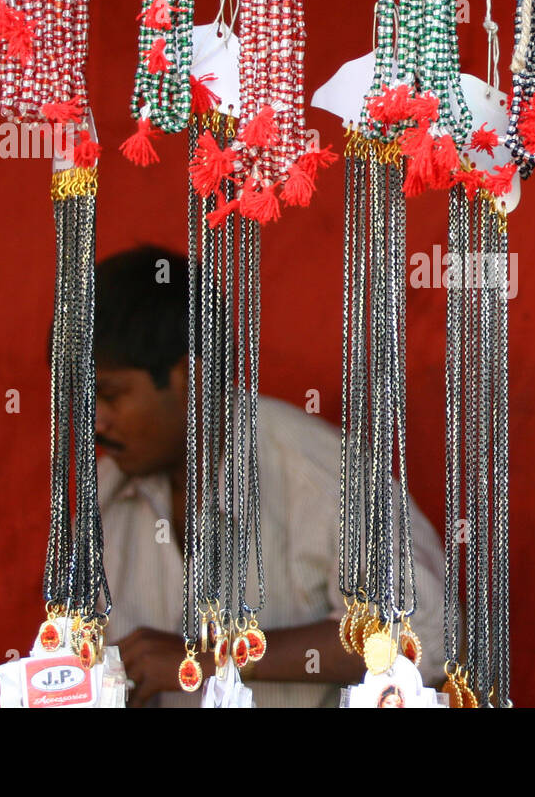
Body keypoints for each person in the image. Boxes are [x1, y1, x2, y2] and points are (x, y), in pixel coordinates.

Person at [90, 245, 445, 707]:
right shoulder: (106, 490)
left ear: (189, 379)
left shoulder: (317, 473)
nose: (94, 421)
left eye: (109, 394)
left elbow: (427, 633)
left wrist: (216, 657)